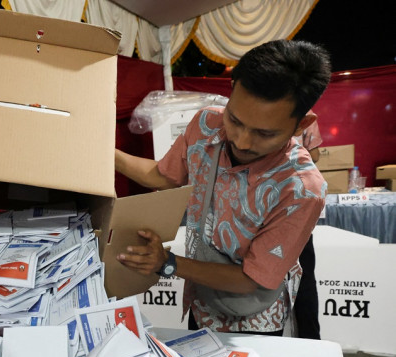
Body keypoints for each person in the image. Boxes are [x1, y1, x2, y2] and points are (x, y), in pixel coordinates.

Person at [115, 40, 331, 335]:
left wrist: (169, 263)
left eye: (264, 134)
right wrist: (105, 155)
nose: (241, 141)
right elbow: (162, 175)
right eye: (235, 120)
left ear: (300, 125)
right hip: (202, 300)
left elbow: (250, 279)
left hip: (253, 317)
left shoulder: (301, 188)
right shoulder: (205, 124)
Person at [293, 117, 323, 339]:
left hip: (290, 202)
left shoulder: (249, 104)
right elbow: (314, 155)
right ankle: (310, 341)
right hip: (295, 201)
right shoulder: (302, 105)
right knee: (303, 277)